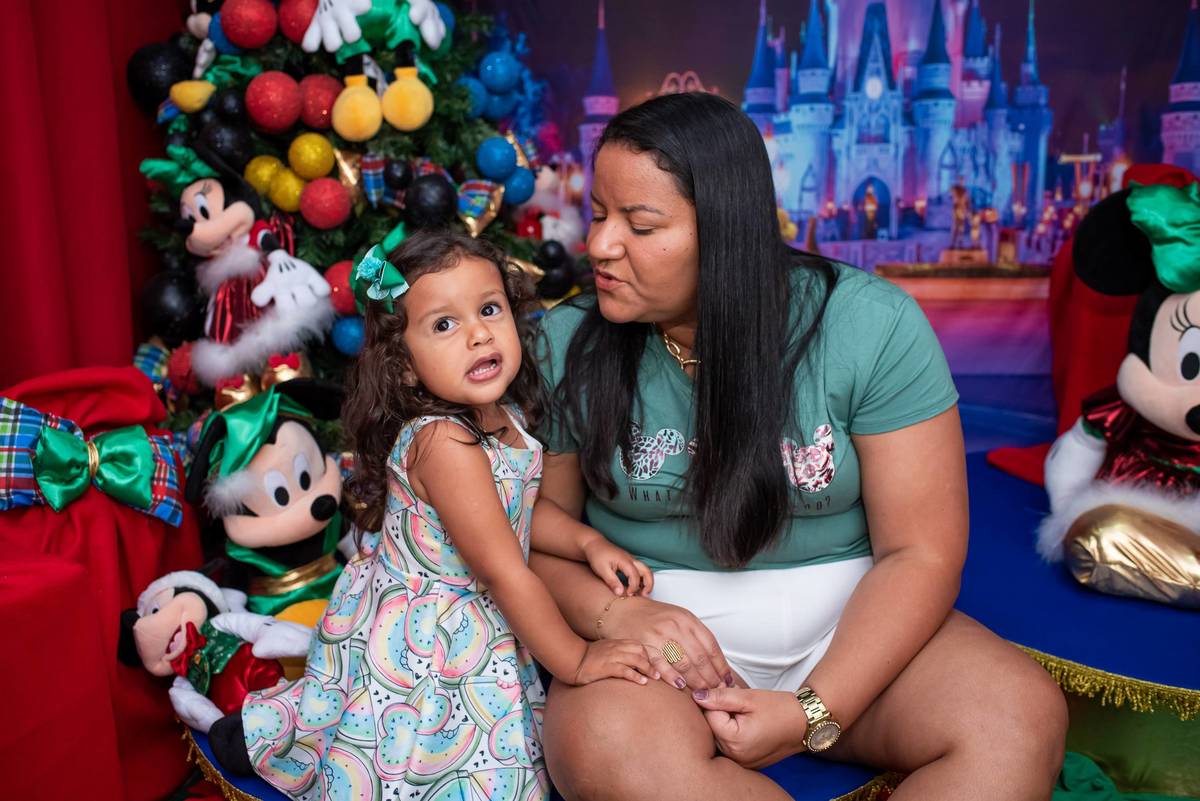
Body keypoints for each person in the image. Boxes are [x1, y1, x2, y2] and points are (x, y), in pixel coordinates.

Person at [530, 92, 1068, 801]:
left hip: (851, 631)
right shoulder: (566, 342)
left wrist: (815, 707)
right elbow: (537, 538)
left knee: (1018, 720)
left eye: (641, 224)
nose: (599, 244)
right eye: (599, 214)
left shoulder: (870, 326)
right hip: (656, 652)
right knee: (599, 747)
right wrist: (619, 617)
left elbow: (922, 551)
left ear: (727, 230)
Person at [212, 230, 657, 799]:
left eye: (489, 310)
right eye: (444, 324)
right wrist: (578, 660)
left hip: (474, 611)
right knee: (423, 746)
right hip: (430, 630)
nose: (478, 334)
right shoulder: (445, 442)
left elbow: (516, 512)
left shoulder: (505, 416)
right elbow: (504, 569)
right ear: (404, 365)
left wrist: (586, 543)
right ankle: (267, 738)